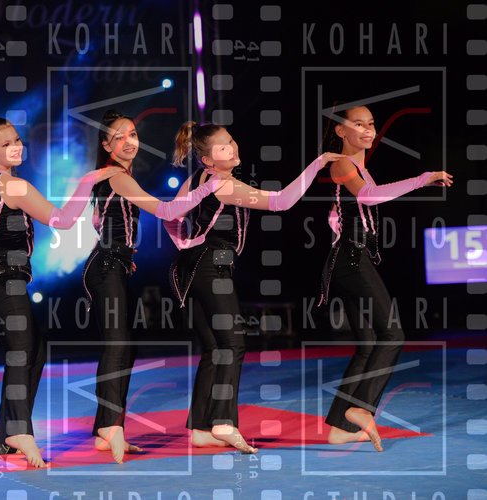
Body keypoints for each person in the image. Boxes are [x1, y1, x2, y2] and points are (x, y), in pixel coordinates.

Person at [167, 121, 345, 453]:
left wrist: (186, 244)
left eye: (231, 140)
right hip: (211, 266)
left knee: (214, 348)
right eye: (223, 146)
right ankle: (223, 421)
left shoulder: (197, 179)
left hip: (191, 267)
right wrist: (317, 164)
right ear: (208, 159)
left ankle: (201, 428)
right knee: (233, 343)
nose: (232, 147)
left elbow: (170, 217)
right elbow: (281, 201)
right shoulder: (223, 184)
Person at [0, 113, 122, 467]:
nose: (16, 147)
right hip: (5, 279)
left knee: (35, 346)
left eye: (17, 140)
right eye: (6, 144)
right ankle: (19, 430)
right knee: (23, 348)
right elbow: (62, 220)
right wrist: (87, 180)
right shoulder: (15, 186)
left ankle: (2, 437)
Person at [82, 110, 225, 463]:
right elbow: (165, 212)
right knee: (117, 346)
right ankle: (109, 428)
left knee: (125, 348)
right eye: (119, 137)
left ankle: (106, 428)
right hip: (105, 266)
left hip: (115, 266)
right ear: (106, 145)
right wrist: (208, 186)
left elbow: (105, 220)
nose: (129, 141)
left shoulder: (115, 176)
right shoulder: (117, 177)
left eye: (132, 134)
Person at [318, 103, 452, 451]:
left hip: (352, 259)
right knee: (392, 334)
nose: (367, 129)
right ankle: (361, 409)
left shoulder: (360, 168)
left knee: (368, 345)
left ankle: (341, 427)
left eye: (371, 123)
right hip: (350, 258)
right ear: (341, 131)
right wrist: (422, 179)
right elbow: (368, 196)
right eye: (358, 124)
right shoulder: (342, 164)